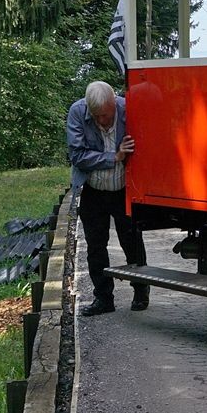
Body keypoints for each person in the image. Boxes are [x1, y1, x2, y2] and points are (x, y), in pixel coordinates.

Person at [68, 80, 147, 316]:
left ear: (114, 103)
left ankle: (141, 292)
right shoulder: (77, 112)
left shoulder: (129, 109)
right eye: (96, 116)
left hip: (125, 191)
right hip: (93, 191)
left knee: (132, 243)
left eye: (106, 115)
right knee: (95, 247)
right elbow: (78, 156)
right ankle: (103, 299)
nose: (102, 120)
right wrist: (114, 157)